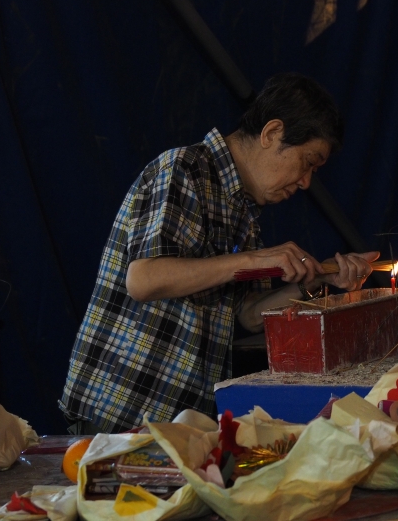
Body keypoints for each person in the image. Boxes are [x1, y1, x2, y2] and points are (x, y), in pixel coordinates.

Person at [59, 73, 378, 433]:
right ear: (272, 133)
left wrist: (320, 281)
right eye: (308, 162)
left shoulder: (243, 210)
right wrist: (252, 261)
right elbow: (144, 280)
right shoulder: (184, 170)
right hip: (123, 408)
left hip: (179, 418)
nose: (306, 182)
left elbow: (248, 315)